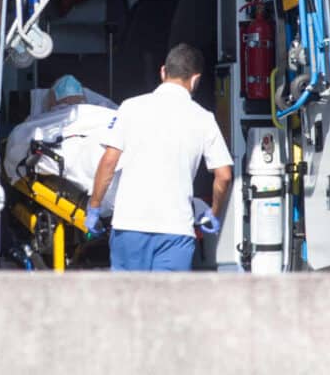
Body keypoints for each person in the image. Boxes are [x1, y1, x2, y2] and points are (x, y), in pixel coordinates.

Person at [86, 43, 233, 271]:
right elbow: (223, 175)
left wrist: (94, 207)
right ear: (196, 80)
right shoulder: (204, 118)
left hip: (129, 226)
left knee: (126, 301)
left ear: (163, 71)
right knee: (166, 304)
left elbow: (109, 161)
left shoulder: (130, 107)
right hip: (175, 231)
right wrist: (213, 213)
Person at [3, 75, 120, 211]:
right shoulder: (105, 113)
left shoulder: (41, 121)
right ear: (83, 97)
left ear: (52, 101)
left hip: (98, 160)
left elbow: (17, 143)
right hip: (116, 156)